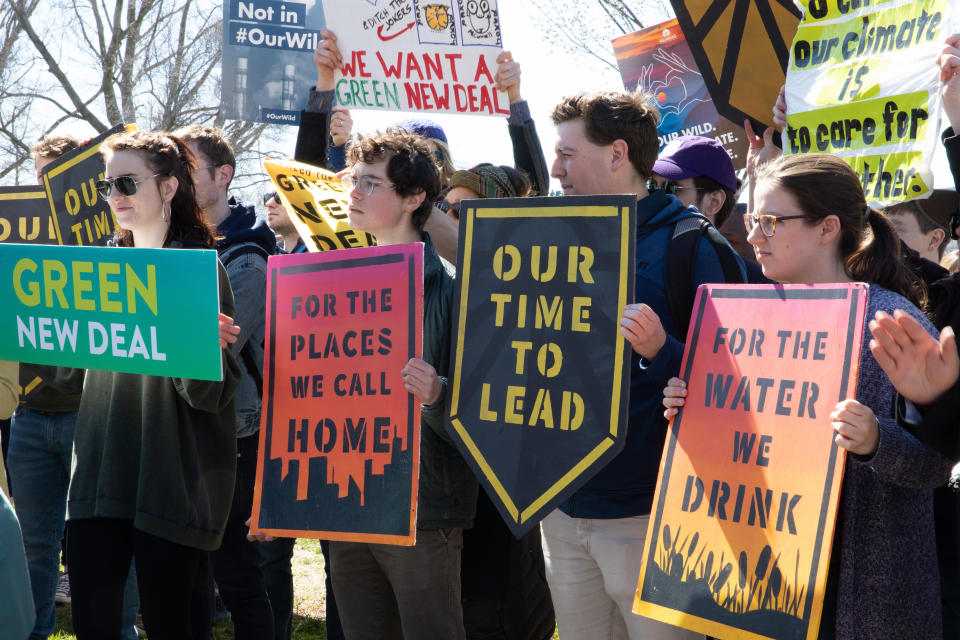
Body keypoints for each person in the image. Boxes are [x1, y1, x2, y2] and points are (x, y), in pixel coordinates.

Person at [663, 152, 954, 638]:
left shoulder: (889, 322)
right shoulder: (742, 318)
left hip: (858, 600)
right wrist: (693, 413)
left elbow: (935, 468)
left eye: (772, 221)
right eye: (754, 220)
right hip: (761, 588)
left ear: (828, 228)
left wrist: (875, 442)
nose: (754, 236)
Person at [542, 89, 745, 639]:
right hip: (560, 505)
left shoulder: (692, 243)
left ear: (616, 153)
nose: (555, 167)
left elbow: (739, 381)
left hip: (650, 512)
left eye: (566, 152)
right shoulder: (550, 236)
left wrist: (664, 352)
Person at [66, 130, 242, 640]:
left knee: (175, 626)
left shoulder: (201, 272)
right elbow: (65, 374)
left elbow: (209, 396)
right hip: (101, 477)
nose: (115, 195)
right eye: (107, 185)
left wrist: (199, 347)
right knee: (94, 625)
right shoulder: (95, 272)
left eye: (127, 182)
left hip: (172, 483)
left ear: (168, 188)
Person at [327, 131, 477, 639]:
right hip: (347, 501)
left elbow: (484, 413)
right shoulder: (329, 289)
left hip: (423, 508)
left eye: (371, 184)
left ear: (415, 198)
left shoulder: (456, 291)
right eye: (354, 181)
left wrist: (439, 395)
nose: (354, 194)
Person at [296, 31, 550, 262]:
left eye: (432, 155)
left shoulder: (452, 204)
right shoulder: (366, 205)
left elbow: (534, 194)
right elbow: (302, 179)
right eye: (407, 157)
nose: (356, 192)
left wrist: (513, 100)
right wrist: (325, 83)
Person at [436, 161, 557, 640]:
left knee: (503, 598)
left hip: (505, 471)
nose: (447, 217)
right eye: (445, 206)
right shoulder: (434, 280)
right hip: (453, 467)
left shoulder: (528, 282)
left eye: (461, 210)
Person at [173, 124, 277, 640]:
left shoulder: (249, 255)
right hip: (177, 423)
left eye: (188, 170)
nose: (177, 181)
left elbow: (220, 349)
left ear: (224, 175)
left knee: (236, 570)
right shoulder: (174, 242)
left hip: (232, 427)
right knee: (192, 572)